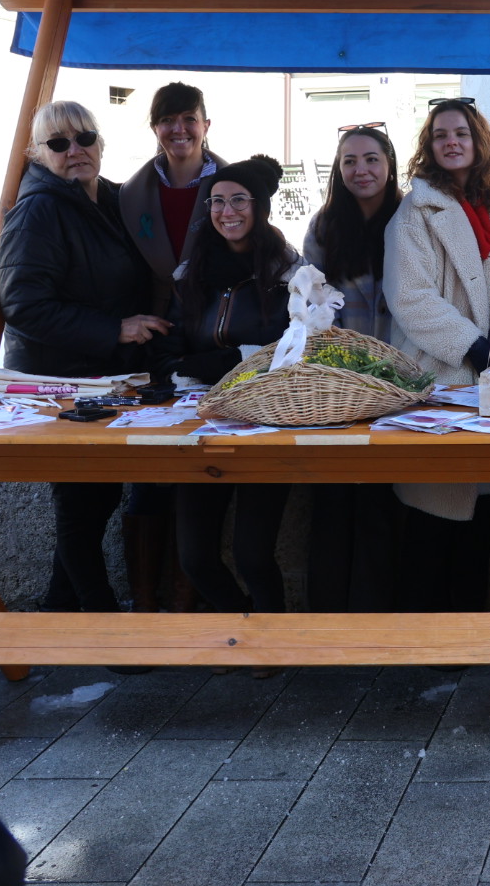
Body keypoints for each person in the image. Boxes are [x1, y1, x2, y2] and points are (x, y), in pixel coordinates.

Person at [0, 101, 166, 622]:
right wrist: (114, 328)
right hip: (57, 381)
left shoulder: (110, 198)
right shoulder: (39, 208)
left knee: (95, 498)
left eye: (85, 138)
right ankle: (101, 624)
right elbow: (23, 303)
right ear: (37, 154)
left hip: (98, 374)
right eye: (58, 143)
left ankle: (58, 605)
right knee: (81, 505)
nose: (76, 151)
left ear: (100, 143)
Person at [151, 156, 300, 653]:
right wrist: (224, 359)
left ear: (258, 207)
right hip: (201, 425)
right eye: (217, 201)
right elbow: (167, 352)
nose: (227, 210)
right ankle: (237, 633)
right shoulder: (191, 273)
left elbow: (286, 354)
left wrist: (213, 360)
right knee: (194, 556)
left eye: (239, 200)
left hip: (265, 423)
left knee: (255, 554)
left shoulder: (289, 275)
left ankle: (271, 642)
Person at [385, 97, 490, 611]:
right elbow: (410, 296)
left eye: (460, 132)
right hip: (440, 373)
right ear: (430, 146)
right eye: (441, 135)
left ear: (478, 140)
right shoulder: (415, 210)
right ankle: (429, 634)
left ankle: (468, 629)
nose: (451, 141)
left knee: (479, 517)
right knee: (430, 515)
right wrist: (473, 345)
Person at [118, 81, 225, 616]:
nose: (179, 130)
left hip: (207, 338)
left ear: (207, 124)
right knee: (147, 472)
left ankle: (186, 596)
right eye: (167, 120)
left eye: (189, 118)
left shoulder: (234, 183)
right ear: (154, 128)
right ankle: (143, 598)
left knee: (198, 469)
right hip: (151, 343)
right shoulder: (129, 192)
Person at [300, 124, 403, 613]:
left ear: (389, 164)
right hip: (339, 387)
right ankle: (326, 617)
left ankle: (375, 615)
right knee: (333, 501)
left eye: (370, 159)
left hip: (401, 384)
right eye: (349, 162)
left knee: (383, 505)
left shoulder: (410, 219)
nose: (360, 170)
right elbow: (309, 312)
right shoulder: (324, 228)